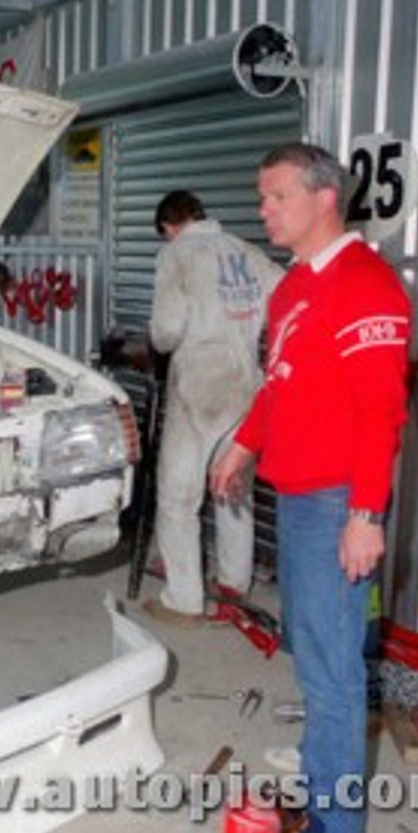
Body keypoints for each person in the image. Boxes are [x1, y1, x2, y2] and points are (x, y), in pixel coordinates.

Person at [209, 143, 411, 833]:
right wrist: (242, 441)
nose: (263, 209)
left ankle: (335, 821)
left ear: (325, 198)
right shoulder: (294, 286)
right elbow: (281, 383)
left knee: (333, 674)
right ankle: (321, 766)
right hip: (295, 498)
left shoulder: (367, 286)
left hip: (335, 502)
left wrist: (365, 515)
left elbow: (381, 412)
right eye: (262, 197)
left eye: (276, 197)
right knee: (312, 650)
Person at [140, 190, 282, 625]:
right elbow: (286, 298)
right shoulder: (246, 251)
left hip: (199, 387)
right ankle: (233, 586)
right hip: (245, 384)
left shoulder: (177, 254)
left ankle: (183, 600)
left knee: (178, 497)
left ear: (169, 226)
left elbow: (166, 331)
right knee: (232, 487)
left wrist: (153, 339)